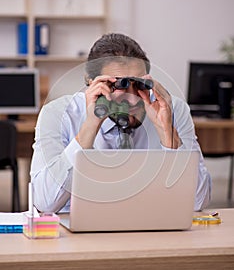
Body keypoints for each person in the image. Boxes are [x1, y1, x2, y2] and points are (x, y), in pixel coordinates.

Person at [30, 33, 211, 213]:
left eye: (139, 85)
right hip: (77, 232)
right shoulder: (58, 114)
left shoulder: (170, 109)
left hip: (151, 224)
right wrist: (89, 128)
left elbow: (198, 202)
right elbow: (45, 203)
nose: (132, 101)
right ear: (91, 83)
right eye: (119, 85)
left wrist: (167, 133)